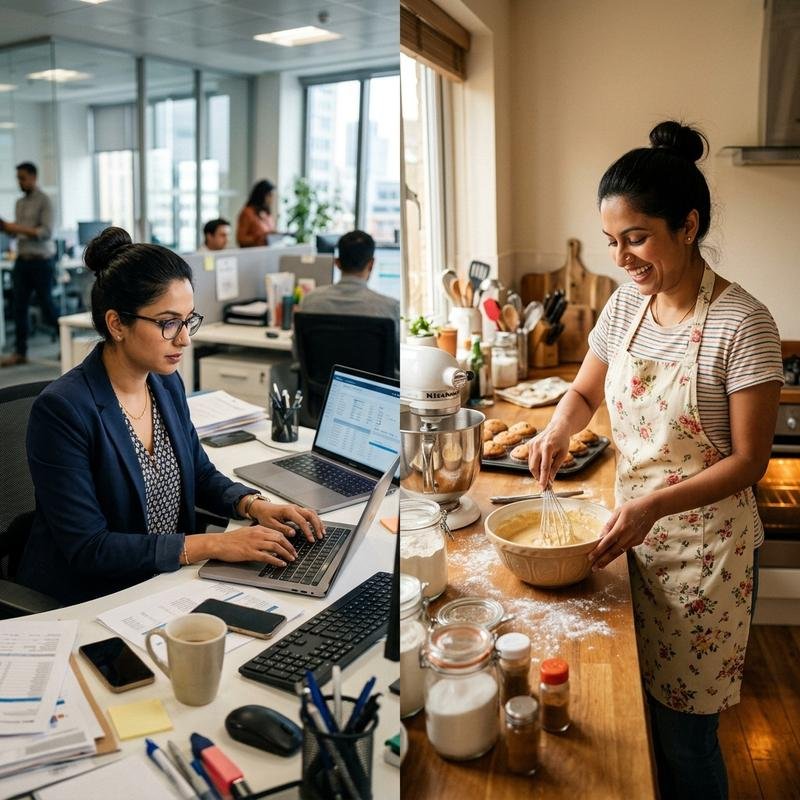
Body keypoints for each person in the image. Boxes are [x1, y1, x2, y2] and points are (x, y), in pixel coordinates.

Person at [527, 121, 783, 800]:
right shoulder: (625, 308)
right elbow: (583, 390)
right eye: (613, 242)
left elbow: (751, 462)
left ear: (688, 225)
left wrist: (651, 507)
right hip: (628, 535)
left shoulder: (742, 322)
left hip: (703, 555)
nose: (623, 258)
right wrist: (556, 430)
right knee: (630, 708)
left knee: (684, 734)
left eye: (635, 238)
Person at [18, 227, 324, 605]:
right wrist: (217, 544)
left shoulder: (165, 384)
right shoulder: (64, 410)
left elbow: (197, 471)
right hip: (94, 598)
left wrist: (253, 506)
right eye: (168, 323)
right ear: (117, 324)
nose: (185, 339)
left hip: (168, 582)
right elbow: (89, 547)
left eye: (188, 320)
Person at [0, 162, 60, 367]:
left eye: (22, 178)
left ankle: (66, 342)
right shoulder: (19, 203)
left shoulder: (45, 201)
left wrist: (15, 227)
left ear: (34, 177)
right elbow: (19, 232)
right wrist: (7, 228)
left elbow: (45, 232)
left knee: (47, 306)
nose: (20, 182)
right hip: (22, 261)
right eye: (18, 178)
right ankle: (20, 352)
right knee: (19, 307)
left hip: (42, 262)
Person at [298, 230, 400, 328]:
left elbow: (299, 344)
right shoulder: (390, 309)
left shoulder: (310, 301)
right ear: (371, 264)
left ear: (337, 263)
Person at [236, 180, 276, 247]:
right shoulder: (247, 213)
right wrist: (260, 237)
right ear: (261, 195)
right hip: (253, 253)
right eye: (269, 195)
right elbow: (241, 239)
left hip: (267, 252)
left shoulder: (266, 213)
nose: (272, 199)